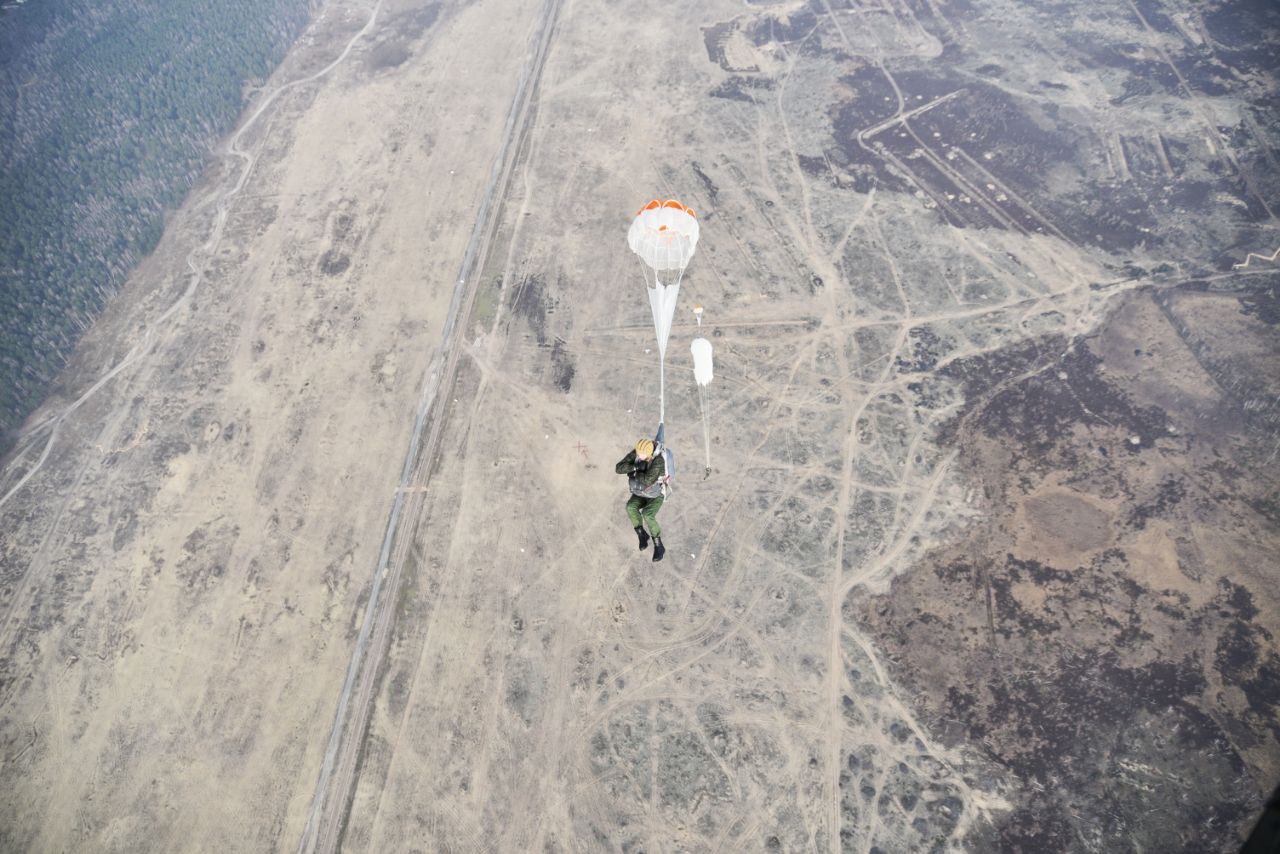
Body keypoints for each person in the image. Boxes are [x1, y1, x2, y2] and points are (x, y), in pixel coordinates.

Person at [616, 438, 666, 561]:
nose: (638, 455)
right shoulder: (639, 453)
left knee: (647, 514)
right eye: (637, 453)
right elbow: (619, 468)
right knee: (630, 507)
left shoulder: (658, 460)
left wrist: (634, 474)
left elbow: (649, 480)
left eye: (641, 454)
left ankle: (658, 545)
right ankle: (642, 534)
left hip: (656, 494)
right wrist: (634, 467)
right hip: (641, 492)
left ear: (649, 454)